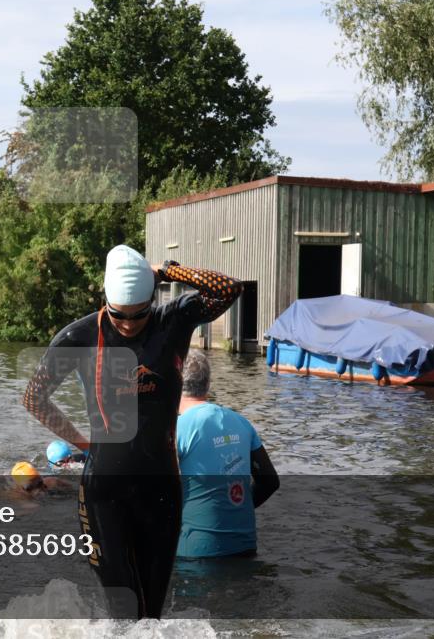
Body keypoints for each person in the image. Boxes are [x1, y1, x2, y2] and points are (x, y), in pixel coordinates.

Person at [21, 244, 242, 619]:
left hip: (161, 488)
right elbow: (34, 398)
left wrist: (167, 270)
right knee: (124, 610)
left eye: (138, 314)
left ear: (152, 299)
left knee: (151, 616)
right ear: (105, 299)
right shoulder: (80, 337)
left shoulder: (173, 320)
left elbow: (229, 288)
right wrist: (84, 443)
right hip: (104, 493)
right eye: (119, 315)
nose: (127, 324)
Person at [176, 352, 278, 559]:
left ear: (174, 385)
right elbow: (270, 482)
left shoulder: (177, 428)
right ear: (208, 384)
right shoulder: (241, 422)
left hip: (196, 554)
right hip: (245, 548)